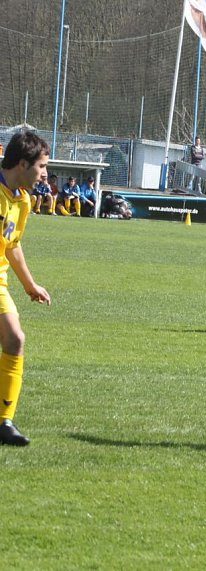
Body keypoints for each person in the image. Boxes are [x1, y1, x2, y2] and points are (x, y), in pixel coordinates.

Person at [0, 132, 53, 446]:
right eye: (42, 165)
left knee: (15, 339)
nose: (45, 173)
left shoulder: (23, 200)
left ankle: (4, 421)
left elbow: (12, 246)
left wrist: (30, 285)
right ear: (23, 163)